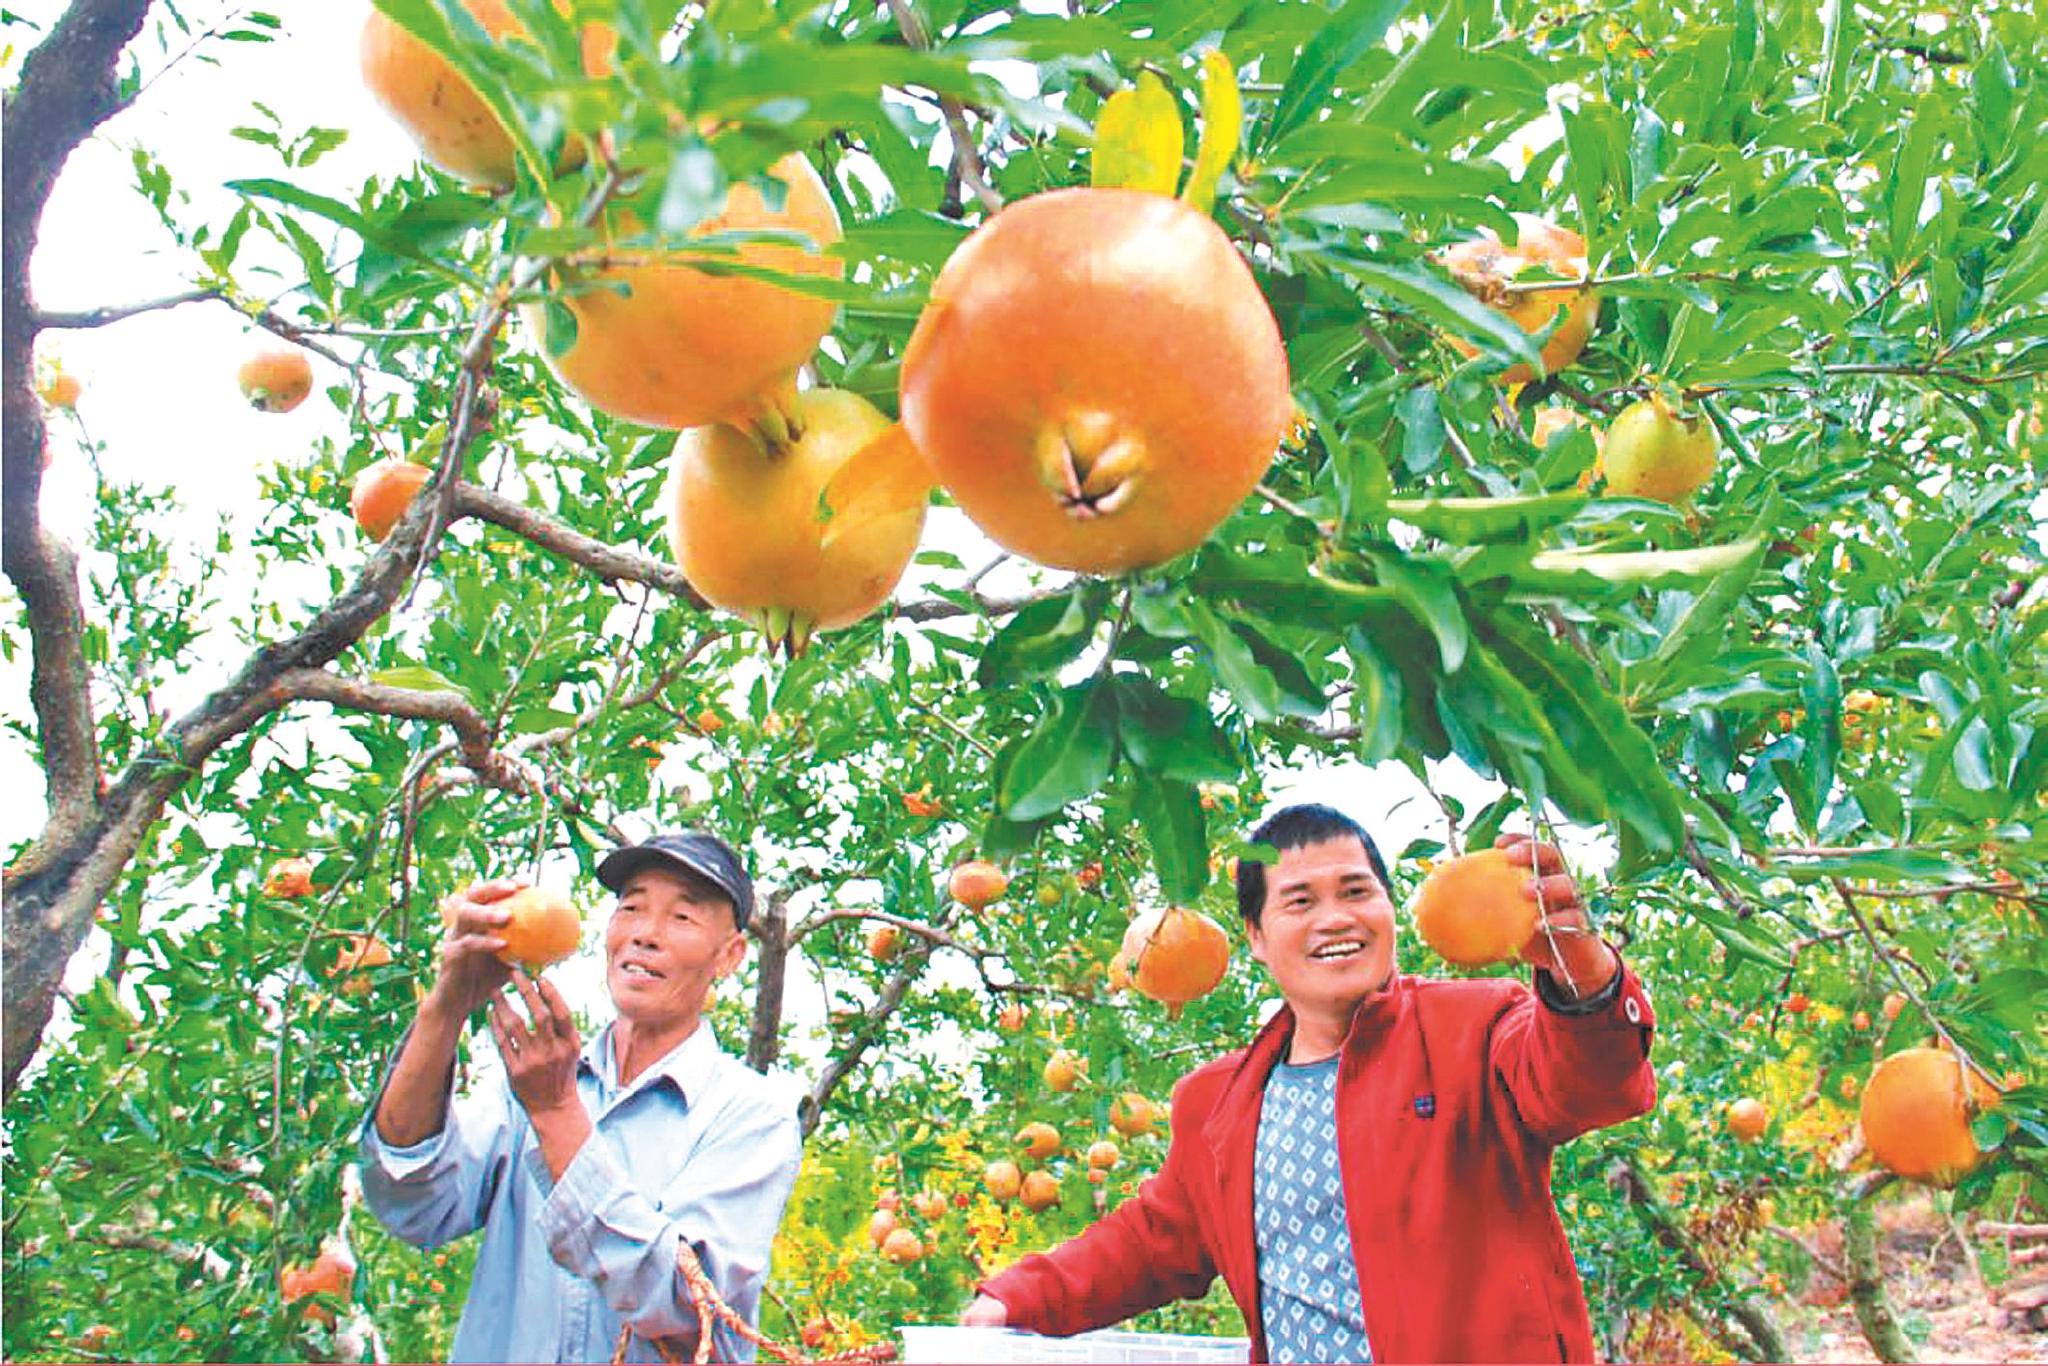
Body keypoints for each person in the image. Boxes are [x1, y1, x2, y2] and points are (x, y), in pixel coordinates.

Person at [963, 803, 1658, 1363]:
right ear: (1256, 937)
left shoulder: (1475, 1027)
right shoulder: (1216, 1103)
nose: (1335, 919)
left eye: (1357, 891)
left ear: (1389, 910)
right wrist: (1016, 1298)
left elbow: (1585, 1080)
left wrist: (1584, 977)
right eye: (1299, 901)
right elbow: (1152, 1242)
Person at [358, 831, 802, 1364]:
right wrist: (446, 1006)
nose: (646, 934)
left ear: (728, 956)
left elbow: (683, 1303)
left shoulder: (752, 1116)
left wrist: (555, 1112)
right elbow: (412, 1199)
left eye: (682, 918)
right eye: (632, 907)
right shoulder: (526, 1083)